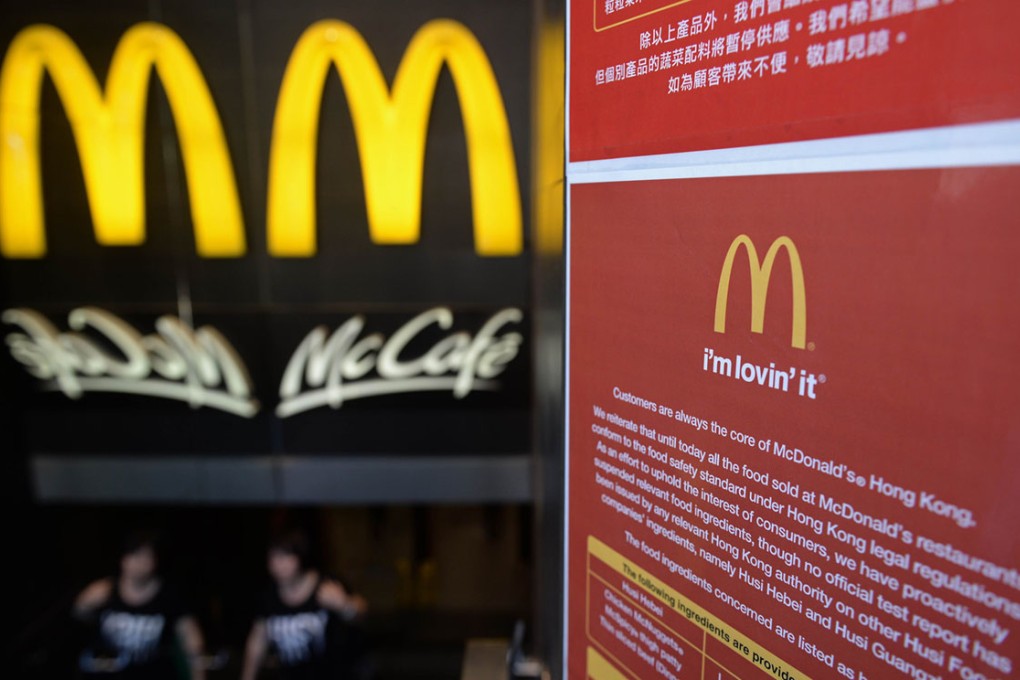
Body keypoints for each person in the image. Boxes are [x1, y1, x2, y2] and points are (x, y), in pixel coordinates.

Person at [73, 531, 206, 680]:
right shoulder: (104, 590)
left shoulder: (170, 596)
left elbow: (192, 640)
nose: (140, 563)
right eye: (135, 555)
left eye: (146, 556)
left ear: (156, 560)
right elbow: (80, 617)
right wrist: (83, 605)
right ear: (123, 559)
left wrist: (198, 675)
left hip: (153, 673)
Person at [241, 529, 368, 680]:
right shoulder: (268, 595)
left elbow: (362, 611)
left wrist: (344, 605)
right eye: (273, 558)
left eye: (285, 556)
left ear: (300, 557)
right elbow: (258, 639)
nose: (278, 565)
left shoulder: (325, 584)